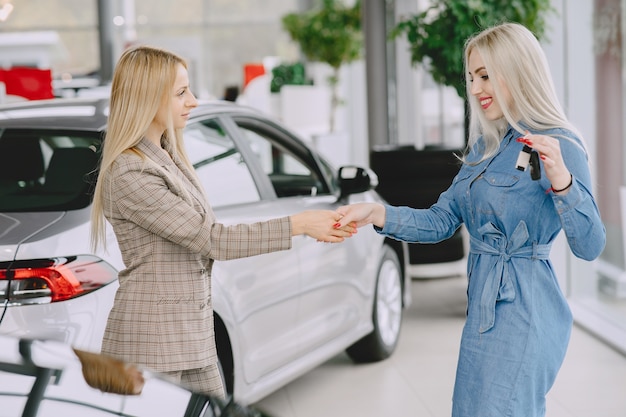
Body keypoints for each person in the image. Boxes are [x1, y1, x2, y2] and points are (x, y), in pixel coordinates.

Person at [334, 22, 606, 417]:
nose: (475, 88)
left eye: (485, 76)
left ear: (518, 72)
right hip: (481, 310)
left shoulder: (560, 144)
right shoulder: (486, 147)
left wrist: (562, 180)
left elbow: (590, 245)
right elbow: (441, 220)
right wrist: (378, 213)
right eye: (471, 77)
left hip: (527, 312)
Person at [89, 45, 355, 399]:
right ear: (147, 98)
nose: (194, 101)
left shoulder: (167, 156)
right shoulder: (130, 170)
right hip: (151, 340)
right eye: (182, 93)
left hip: (192, 334)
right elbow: (211, 239)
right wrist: (300, 223)